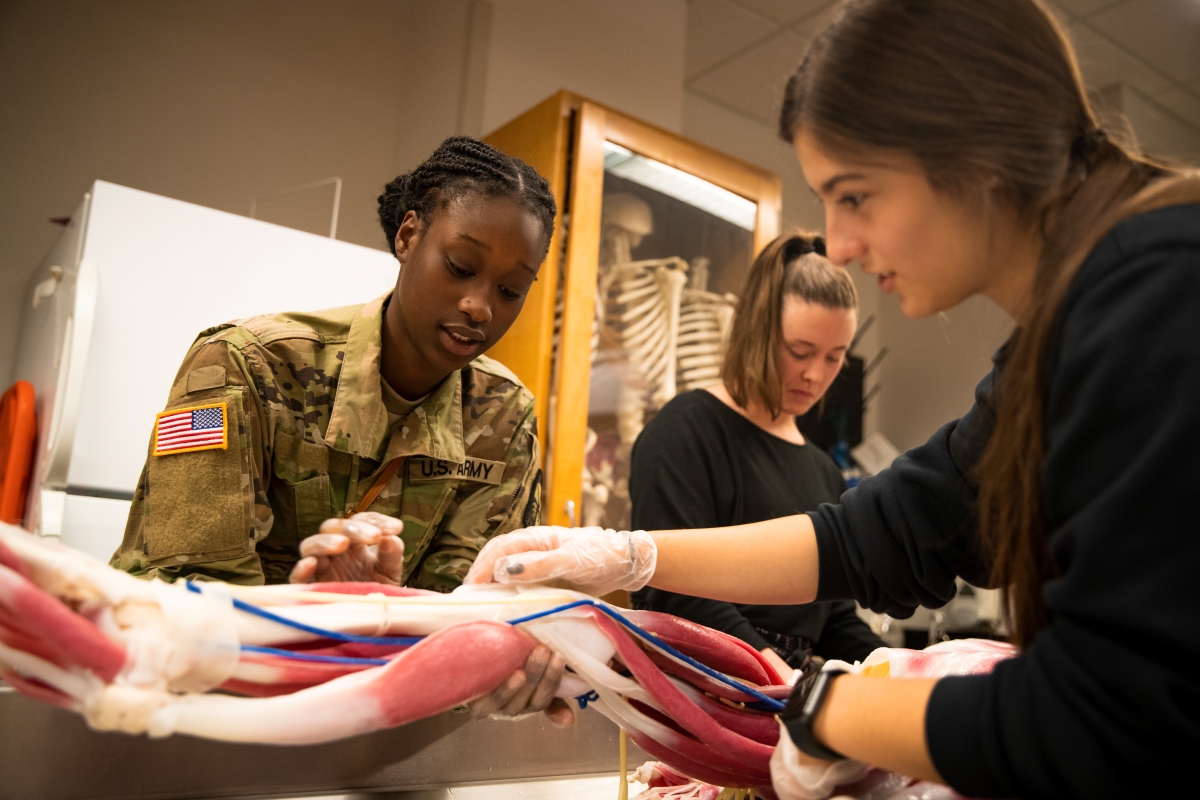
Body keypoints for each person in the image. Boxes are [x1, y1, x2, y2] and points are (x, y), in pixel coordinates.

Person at [464, 0, 1200, 796]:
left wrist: (833, 712)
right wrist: (633, 554)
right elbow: (901, 527)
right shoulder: (1075, 326)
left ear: (974, 149)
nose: (839, 243)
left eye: (854, 196)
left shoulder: (1157, 292)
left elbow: (1113, 714)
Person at [113, 136, 555, 591]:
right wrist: (320, 612)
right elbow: (194, 589)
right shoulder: (244, 363)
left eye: (510, 291)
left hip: (385, 659)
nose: (480, 307)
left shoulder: (504, 413)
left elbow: (476, 605)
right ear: (408, 236)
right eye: (461, 267)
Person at [630, 232, 883, 679]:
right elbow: (678, 593)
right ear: (756, 330)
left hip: (785, 694)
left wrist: (900, 668)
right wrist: (777, 678)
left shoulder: (824, 470)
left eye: (834, 357)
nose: (815, 373)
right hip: (704, 691)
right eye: (800, 351)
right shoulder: (685, 431)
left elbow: (836, 617)